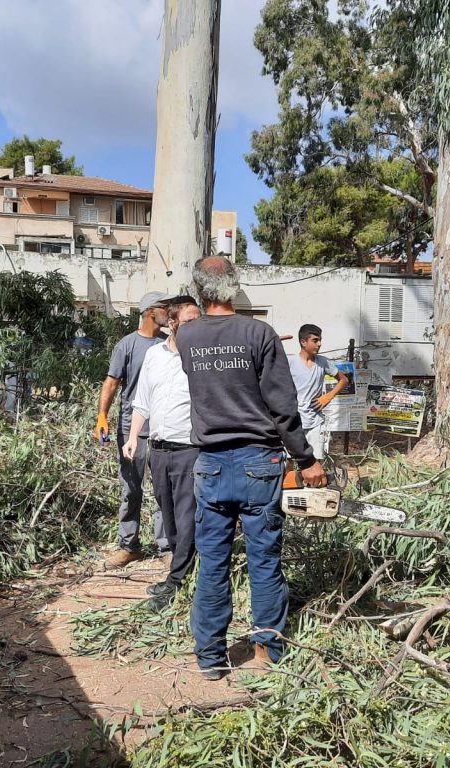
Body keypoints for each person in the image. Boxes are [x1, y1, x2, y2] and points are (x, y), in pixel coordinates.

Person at [177, 256, 327, 680]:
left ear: (200, 290)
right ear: (234, 286)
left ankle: (210, 658)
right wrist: (307, 459)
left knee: (213, 563)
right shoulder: (258, 333)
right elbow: (283, 408)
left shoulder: (187, 337)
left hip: (209, 466)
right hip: (259, 464)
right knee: (263, 562)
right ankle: (266, 652)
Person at [123, 299, 202, 611]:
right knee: (167, 515)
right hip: (158, 450)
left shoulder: (200, 357)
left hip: (190, 450)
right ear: (173, 323)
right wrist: (133, 438)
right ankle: (178, 573)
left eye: (200, 319)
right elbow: (141, 401)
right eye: (190, 320)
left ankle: (177, 583)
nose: (197, 325)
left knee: (187, 518)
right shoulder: (154, 355)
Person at [95, 291, 173, 569]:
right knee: (131, 488)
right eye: (165, 308)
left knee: (164, 489)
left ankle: (166, 546)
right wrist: (102, 416)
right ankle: (129, 546)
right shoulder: (127, 345)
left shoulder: (169, 345)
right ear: (151, 311)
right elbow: (112, 383)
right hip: (132, 429)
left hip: (163, 429)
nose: (169, 312)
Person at [288, 324, 352, 460]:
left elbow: (344, 380)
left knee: (316, 462)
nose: (319, 344)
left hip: (315, 421)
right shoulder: (290, 362)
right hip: (294, 421)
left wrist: (329, 396)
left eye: (320, 340)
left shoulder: (323, 362)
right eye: (315, 340)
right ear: (303, 342)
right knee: (289, 462)